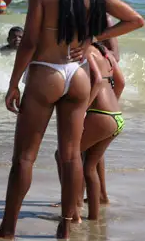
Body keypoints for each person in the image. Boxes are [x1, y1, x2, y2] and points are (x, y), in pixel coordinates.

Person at [0, 0, 143, 240]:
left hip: (47, 73)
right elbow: (136, 19)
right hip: (79, 75)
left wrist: (14, 82)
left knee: (25, 157)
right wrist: (92, 40)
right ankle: (68, 226)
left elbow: (30, 41)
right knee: (72, 156)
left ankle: (8, 228)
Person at [52, 42, 125, 221]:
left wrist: (84, 108)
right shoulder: (106, 54)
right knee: (89, 167)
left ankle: (72, 208)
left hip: (99, 115)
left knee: (64, 156)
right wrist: (111, 104)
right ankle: (93, 218)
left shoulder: (88, 51)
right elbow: (121, 83)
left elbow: (98, 81)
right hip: (116, 116)